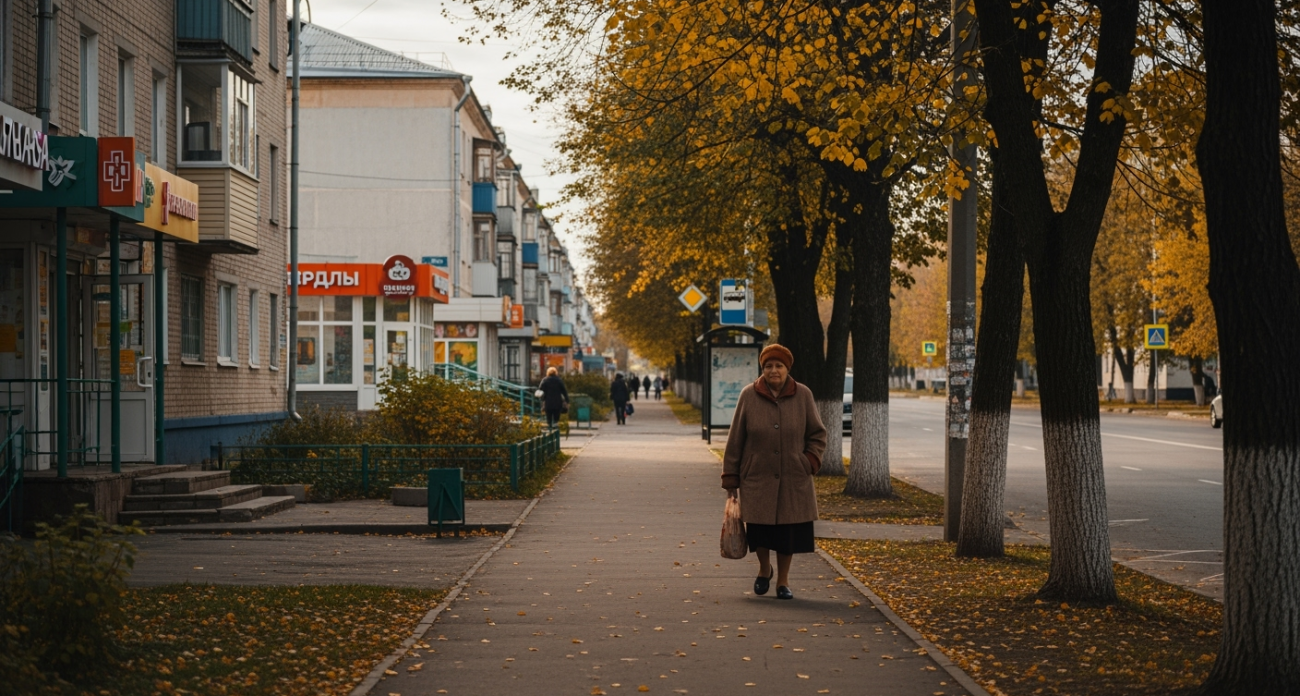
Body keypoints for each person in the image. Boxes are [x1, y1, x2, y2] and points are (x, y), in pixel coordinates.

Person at [721, 344, 826, 601]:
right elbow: (736, 439)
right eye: (768, 366)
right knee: (760, 531)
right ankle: (764, 569)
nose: (773, 370)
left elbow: (817, 433)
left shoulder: (803, 395)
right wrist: (731, 477)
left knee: (787, 533)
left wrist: (809, 461)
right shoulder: (749, 395)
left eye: (779, 366)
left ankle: (783, 581)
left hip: (793, 476)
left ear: (787, 368)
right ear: (762, 369)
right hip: (757, 476)